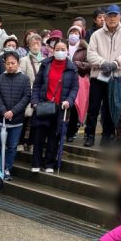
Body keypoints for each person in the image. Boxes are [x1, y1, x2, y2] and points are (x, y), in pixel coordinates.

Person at [85, 4, 121, 147]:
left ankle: (107, 136)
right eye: (109, 15)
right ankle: (90, 136)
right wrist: (103, 63)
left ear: (120, 17)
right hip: (97, 76)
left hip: (116, 76)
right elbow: (90, 54)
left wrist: (115, 64)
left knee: (110, 107)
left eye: (115, 15)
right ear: (104, 17)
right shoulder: (96, 34)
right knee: (93, 108)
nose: (112, 18)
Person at [31, 40, 79, 174]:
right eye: (58, 48)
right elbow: (37, 84)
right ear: (53, 50)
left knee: (54, 136)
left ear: (67, 51)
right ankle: (36, 162)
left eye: (63, 49)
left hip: (61, 108)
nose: (60, 51)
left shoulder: (72, 68)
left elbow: (75, 88)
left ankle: (49, 163)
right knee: (39, 135)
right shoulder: (45, 64)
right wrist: (35, 100)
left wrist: (69, 101)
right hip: (44, 105)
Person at [0, 50, 30, 179]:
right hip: (0, 119)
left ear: (18, 63)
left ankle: (7, 168)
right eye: (8, 63)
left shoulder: (25, 79)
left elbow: (26, 97)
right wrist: (3, 111)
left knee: (12, 146)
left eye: (13, 63)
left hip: (17, 120)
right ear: (4, 64)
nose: (10, 66)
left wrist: (13, 112)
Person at [19, 33, 44, 150]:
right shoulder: (23, 60)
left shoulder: (44, 60)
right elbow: (21, 76)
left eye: (38, 43)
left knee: (37, 118)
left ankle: (32, 142)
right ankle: (21, 142)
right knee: (25, 118)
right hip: (27, 92)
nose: (36, 46)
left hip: (40, 94)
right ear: (28, 45)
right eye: (33, 43)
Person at [66, 26, 91, 143]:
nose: (73, 34)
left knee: (75, 107)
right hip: (63, 80)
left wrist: (75, 64)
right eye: (71, 32)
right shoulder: (63, 47)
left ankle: (71, 132)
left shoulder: (85, 49)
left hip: (78, 80)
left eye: (76, 32)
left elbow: (89, 65)